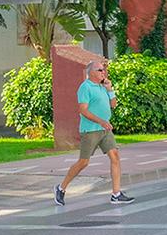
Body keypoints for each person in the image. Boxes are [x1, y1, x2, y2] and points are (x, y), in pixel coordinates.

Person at [56, 58, 132, 205]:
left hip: (105, 129)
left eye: (104, 70)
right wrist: (101, 121)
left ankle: (116, 194)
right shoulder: (85, 87)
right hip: (90, 130)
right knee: (83, 162)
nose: (104, 72)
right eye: (100, 70)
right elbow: (83, 110)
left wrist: (110, 90)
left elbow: (113, 105)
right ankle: (61, 188)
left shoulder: (103, 87)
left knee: (115, 156)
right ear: (91, 73)